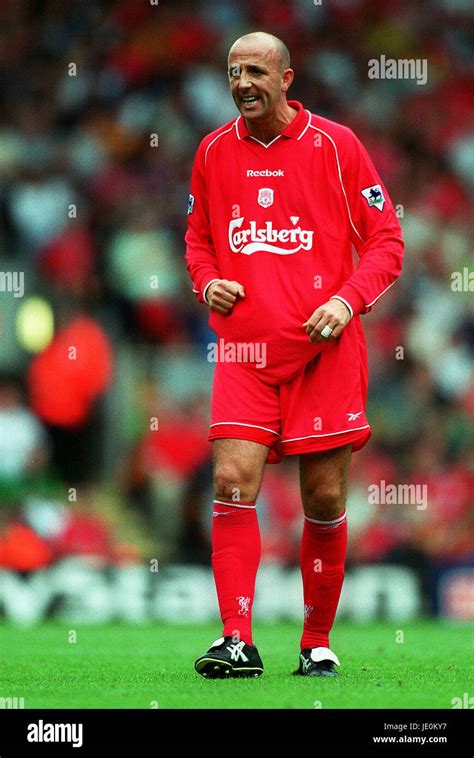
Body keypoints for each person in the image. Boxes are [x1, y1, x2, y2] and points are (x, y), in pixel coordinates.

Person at [185, 32, 404, 678]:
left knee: (326, 498)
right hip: (246, 350)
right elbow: (198, 240)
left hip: (324, 351)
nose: (243, 82)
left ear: (286, 78)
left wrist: (347, 301)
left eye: (256, 70)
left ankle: (315, 642)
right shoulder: (212, 152)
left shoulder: (337, 146)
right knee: (230, 482)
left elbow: (387, 239)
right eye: (233, 72)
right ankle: (236, 640)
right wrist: (206, 282)